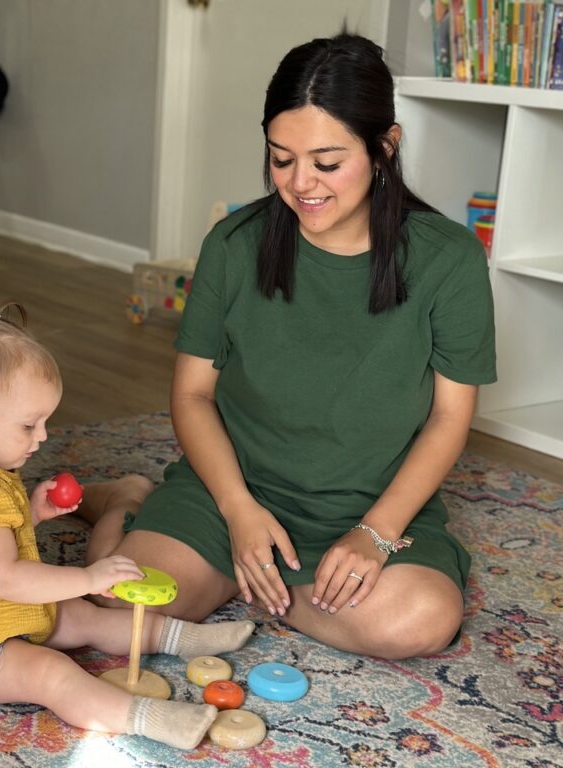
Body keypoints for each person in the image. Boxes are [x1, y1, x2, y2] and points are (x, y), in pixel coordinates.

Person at [80, 33, 496, 660]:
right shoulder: (234, 243)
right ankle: (129, 498)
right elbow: (192, 394)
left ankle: (257, 585)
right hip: (230, 493)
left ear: (385, 147)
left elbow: (449, 417)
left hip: (366, 506)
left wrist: (375, 536)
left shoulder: (449, 259)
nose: (301, 184)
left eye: (327, 163)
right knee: (117, 605)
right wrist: (238, 511)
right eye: (281, 159)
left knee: (417, 622)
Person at [0, 303, 255, 751]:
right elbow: (5, 578)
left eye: (44, 422)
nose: (42, 437)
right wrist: (88, 577)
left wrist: (29, 514)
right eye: (28, 425)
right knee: (52, 673)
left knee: (79, 617)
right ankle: (151, 718)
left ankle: (183, 637)